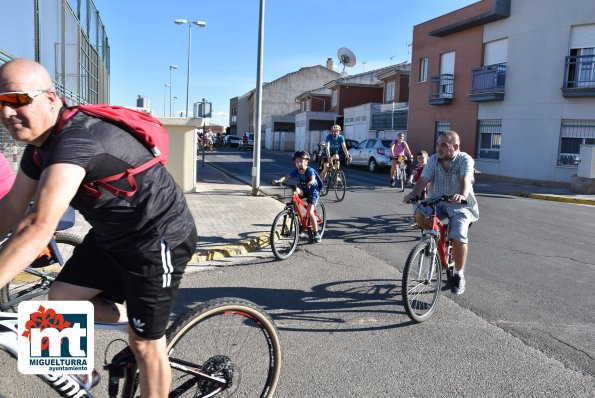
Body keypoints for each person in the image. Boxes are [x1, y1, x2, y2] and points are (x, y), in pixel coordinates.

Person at [0, 59, 197, 397]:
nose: (6, 113)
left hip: (158, 237)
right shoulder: (39, 149)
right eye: (0, 103)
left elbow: (37, 225)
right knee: (60, 298)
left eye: (17, 99)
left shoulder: (77, 139)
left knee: (145, 344)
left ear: (50, 98)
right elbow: (12, 208)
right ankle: (82, 374)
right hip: (111, 234)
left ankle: (147, 326)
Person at [403, 131, 479, 295]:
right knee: (418, 212)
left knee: (458, 234)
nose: (439, 148)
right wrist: (413, 195)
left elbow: (466, 178)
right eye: (438, 144)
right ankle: (437, 238)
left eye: (444, 145)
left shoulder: (464, 159)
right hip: (437, 201)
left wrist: (462, 195)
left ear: (455, 147)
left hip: (460, 205)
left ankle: (459, 274)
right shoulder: (433, 160)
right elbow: (423, 180)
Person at [272, 150, 323, 243]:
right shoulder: (297, 170)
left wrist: (311, 181)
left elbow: (313, 177)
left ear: (306, 161)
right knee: (295, 190)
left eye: (301, 161)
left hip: (313, 192)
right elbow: (287, 176)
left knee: (310, 211)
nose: (298, 163)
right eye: (296, 162)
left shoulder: (309, 170)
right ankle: (295, 211)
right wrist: (279, 180)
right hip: (303, 190)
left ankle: (316, 233)